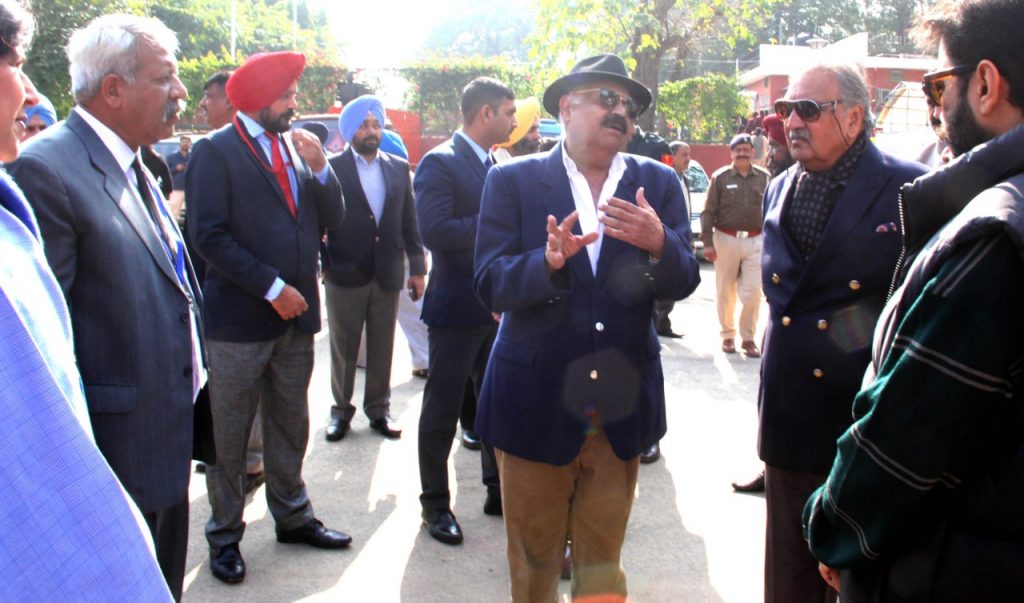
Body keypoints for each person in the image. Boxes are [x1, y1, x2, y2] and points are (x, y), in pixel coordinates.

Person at [804, 0, 1024, 598]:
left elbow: (903, 440)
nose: (933, 107)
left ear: (985, 85)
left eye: (937, 85)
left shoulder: (993, 234)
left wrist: (835, 529)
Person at [474, 53, 701, 602]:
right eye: (606, 98)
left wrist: (660, 243)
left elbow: (686, 278)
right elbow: (489, 282)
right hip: (534, 403)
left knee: (603, 567)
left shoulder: (659, 182)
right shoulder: (512, 180)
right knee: (534, 567)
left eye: (629, 105)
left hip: (618, 411)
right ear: (566, 106)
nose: (620, 111)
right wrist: (546, 264)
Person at [8, 14, 206, 600]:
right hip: (113, 459)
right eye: (164, 78)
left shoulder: (139, 163)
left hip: (162, 443)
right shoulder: (47, 169)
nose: (180, 92)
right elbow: (46, 340)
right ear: (113, 89)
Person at [757, 59, 927, 603]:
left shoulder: (909, 188)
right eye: (786, 108)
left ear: (854, 118)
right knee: (789, 577)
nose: (792, 122)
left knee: (859, 581)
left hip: (862, 425)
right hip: (788, 419)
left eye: (808, 109)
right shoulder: (778, 188)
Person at [186, 50, 349, 585]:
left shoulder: (295, 147)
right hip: (240, 324)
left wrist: (321, 168)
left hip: (294, 323)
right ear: (258, 100)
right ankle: (225, 535)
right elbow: (208, 235)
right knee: (230, 436)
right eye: (286, 96)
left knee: (290, 424)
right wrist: (272, 288)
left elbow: (333, 218)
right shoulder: (215, 151)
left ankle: (293, 516)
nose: (294, 104)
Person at [414, 76, 517, 544]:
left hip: (494, 308)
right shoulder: (440, 162)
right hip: (455, 309)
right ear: (485, 114)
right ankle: (435, 506)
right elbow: (435, 231)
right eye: (509, 113)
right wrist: (495, 222)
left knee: (495, 405)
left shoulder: (495, 162)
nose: (514, 122)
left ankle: (497, 492)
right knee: (443, 410)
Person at [322, 94, 425, 442]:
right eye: (364, 125)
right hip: (344, 273)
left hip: (387, 271)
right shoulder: (332, 168)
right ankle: (340, 411)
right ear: (350, 129)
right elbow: (316, 221)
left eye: (376, 125)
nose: (371, 131)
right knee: (344, 347)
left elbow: (410, 222)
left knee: (383, 345)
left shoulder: (397, 167)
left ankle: (379, 409)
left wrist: (417, 269)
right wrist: (323, 265)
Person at [701, 133, 770, 356]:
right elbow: (708, 211)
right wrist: (707, 242)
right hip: (726, 238)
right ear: (731, 153)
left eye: (746, 150)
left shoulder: (764, 177)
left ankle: (748, 338)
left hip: (755, 240)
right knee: (725, 290)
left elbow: (772, 210)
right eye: (738, 150)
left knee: (752, 292)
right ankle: (728, 336)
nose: (742, 154)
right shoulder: (720, 177)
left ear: (753, 152)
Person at [492, 95, 541, 163]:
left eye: (537, 129)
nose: (538, 136)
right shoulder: (492, 165)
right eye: (531, 130)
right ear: (513, 132)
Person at [164, 134, 190, 219]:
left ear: (190, 144)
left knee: (192, 214)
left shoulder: (193, 156)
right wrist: (176, 169)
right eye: (183, 142)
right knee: (173, 214)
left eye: (187, 142)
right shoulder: (171, 157)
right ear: (180, 143)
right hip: (176, 189)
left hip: (191, 189)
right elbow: (165, 171)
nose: (185, 144)